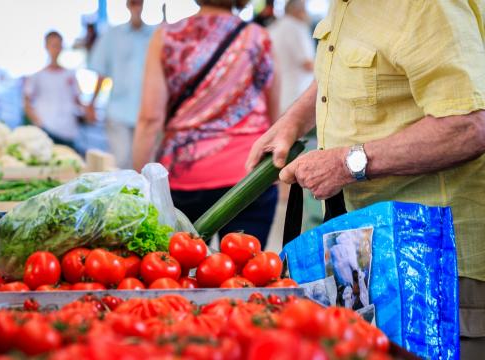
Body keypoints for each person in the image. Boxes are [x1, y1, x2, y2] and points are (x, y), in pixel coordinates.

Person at [246, 1, 485, 358]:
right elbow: (337, 72)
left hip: (431, 256)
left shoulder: (430, 6)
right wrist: (290, 124)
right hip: (362, 244)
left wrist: (346, 163)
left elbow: (470, 126)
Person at [132, 0, 280, 247]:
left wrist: (139, 183)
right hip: (248, 176)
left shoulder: (167, 36)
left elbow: (150, 119)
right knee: (244, 275)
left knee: (180, 272)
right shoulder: (258, 37)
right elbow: (274, 113)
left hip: (184, 176)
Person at [88, 0, 154, 169]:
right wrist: (92, 104)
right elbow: (101, 74)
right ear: (127, 4)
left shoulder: (155, 34)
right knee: (122, 162)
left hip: (148, 112)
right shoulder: (112, 35)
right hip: (119, 112)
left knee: (148, 165)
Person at [24, 31, 89, 148]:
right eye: (53, 45)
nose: (56, 49)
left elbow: (78, 100)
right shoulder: (37, 76)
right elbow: (27, 102)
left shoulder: (71, 74)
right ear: (46, 47)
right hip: (47, 130)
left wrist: (87, 111)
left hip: (68, 131)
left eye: (59, 45)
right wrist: (39, 122)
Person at [269, 0, 315, 114]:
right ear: (298, 10)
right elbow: (308, 64)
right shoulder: (295, 27)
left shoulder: (274, 27)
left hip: (278, 96)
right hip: (295, 95)